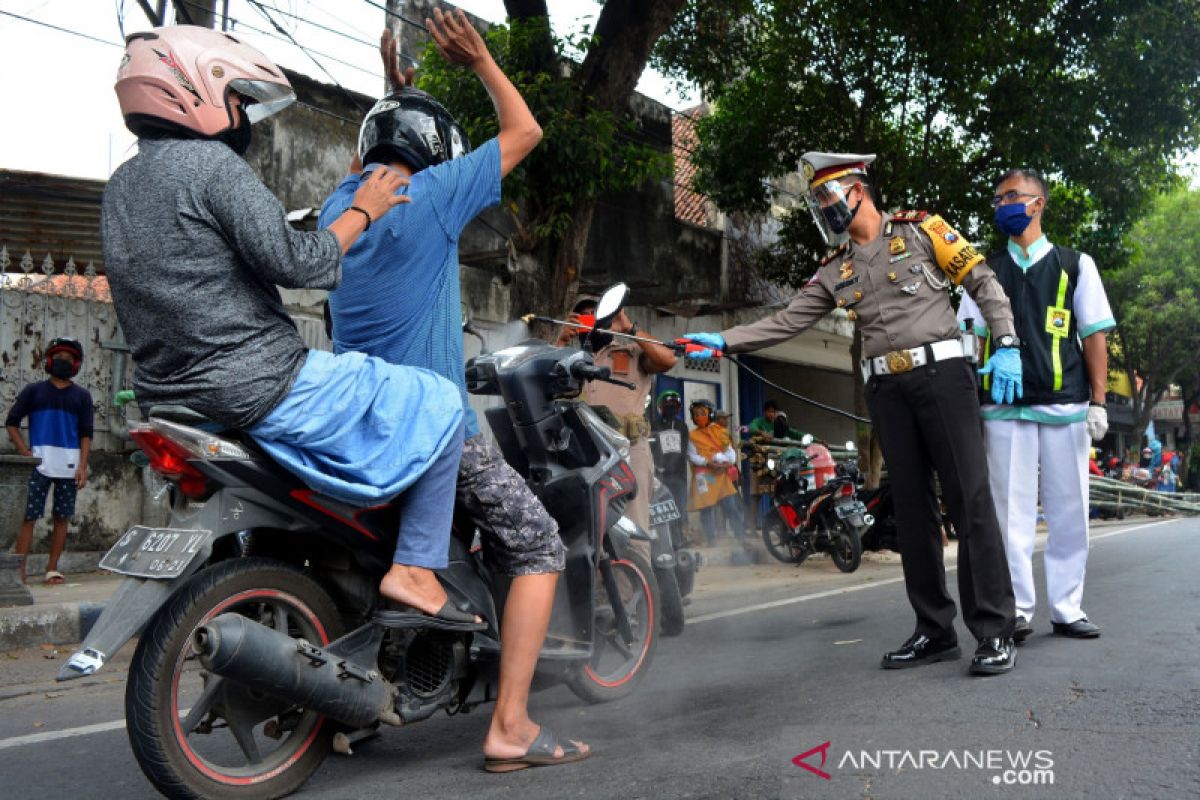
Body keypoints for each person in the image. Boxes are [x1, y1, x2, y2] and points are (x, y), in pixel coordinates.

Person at [101, 26, 472, 632]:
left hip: (169, 397)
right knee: (438, 400)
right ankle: (414, 568)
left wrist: (389, 98)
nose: (242, 115)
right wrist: (363, 211)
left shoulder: (124, 185)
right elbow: (298, 264)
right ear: (194, 89)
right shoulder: (212, 167)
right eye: (239, 100)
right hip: (259, 382)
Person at [320, 14, 587, 770]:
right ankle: (510, 724)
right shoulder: (433, 193)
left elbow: (371, 154)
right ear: (439, 154)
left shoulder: (343, 204)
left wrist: (392, 96)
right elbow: (526, 130)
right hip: (428, 423)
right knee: (535, 543)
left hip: (351, 419)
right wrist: (479, 60)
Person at [684, 152, 1021, 675]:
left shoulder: (921, 230)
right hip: (886, 389)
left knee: (969, 500)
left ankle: (994, 628)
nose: (825, 206)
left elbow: (982, 282)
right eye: (818, 200)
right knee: (910, 510)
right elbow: (786, 321)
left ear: (858, 189)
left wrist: (1006, 341)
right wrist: (724, 341)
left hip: (944, 378)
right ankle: (935, 630)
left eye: (829, 195)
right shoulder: (836, 269)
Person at [960, 168, 1115, 642]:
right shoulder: (983, 271)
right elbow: (969, 339)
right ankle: (1018, 610)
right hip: (1003, 410)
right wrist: (967, 401)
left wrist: (1098, 402)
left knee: (1070, 511)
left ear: (1038, 203)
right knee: (1010, 517)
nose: (1003, 203)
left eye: (1013, 195)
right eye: (998, 196)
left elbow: (1094, 335)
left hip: (1065, 406)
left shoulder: (1075, 265)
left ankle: (1067, 607)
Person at [555, 297, 677, 540]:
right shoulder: (570, 359)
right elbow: (546, 388)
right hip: (586, 456)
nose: (592, 318)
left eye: (596, 312)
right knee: (586, 533)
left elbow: (668, 359)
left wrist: (629, 328)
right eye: (584, 315)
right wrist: (561, 341)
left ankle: (638, 577)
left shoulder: (631, 349)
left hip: (629, 451)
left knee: (634, 530)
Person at [5, 338, 93, 585]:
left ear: (75, 364)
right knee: (29, 516)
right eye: (59, 357)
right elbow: (11, 423)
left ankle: (52, 568)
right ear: (49, 360)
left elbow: (86, 434)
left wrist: (82, 466)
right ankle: (19, 571)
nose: (62, 362)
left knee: (62, 517)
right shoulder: (34, 391)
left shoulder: (82, 397)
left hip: (69, 465)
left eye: (68, 358)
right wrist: (25, 454)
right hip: (38, 466)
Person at [687, 399, 746, 545]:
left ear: (711, 414)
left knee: (731, 507)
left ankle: (741, 537)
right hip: (706, 477)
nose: (698, 417)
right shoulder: (692, 436)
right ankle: (711, 539)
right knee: (706, 509)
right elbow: (692, 456)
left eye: (702, 413)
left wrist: (723, 463)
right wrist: (709, 462)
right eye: (695, 414)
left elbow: (731, 454)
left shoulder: (721, 432)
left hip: (721, 476)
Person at [650, 390, 691, 547]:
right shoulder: (654, 425)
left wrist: (673, 466)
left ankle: (678, 540)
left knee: (679, 509)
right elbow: (651, 447)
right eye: (667, 405)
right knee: (662, 509)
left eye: (674, 405)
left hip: (678, 476)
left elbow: (683, 448)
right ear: (661, 407)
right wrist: (658, 466)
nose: (670, 408)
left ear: (678, 408)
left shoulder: (682, 426)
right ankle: (665, 541)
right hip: (660, 476)